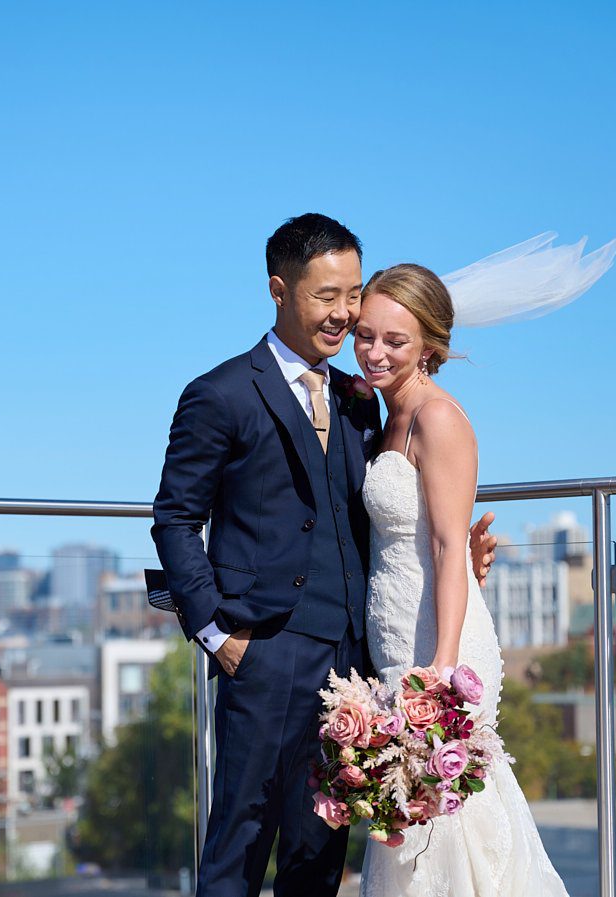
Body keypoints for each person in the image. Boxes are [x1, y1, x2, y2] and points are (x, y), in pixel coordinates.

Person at [151, 213, 496, 897]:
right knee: (239, 847)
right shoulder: (219, 394)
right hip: (263, 653)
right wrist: (219, 635)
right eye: (326, 296)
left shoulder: (360, 401)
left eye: (353, 294)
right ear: (279, 290)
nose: (344, 314)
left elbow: (388, 517)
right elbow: (174, 519)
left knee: (320, 850)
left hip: (357, 667)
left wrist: (460, 565)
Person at [354, 263, 569, 896]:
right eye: (366, 335)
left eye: (395, 341)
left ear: (429, 346)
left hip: (436, 643)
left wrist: (442, 671)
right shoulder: (384, 412)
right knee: (408, 819)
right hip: (396, 634)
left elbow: (450, 546)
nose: (375, 352)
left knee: (451, 819)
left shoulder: (437, 418)